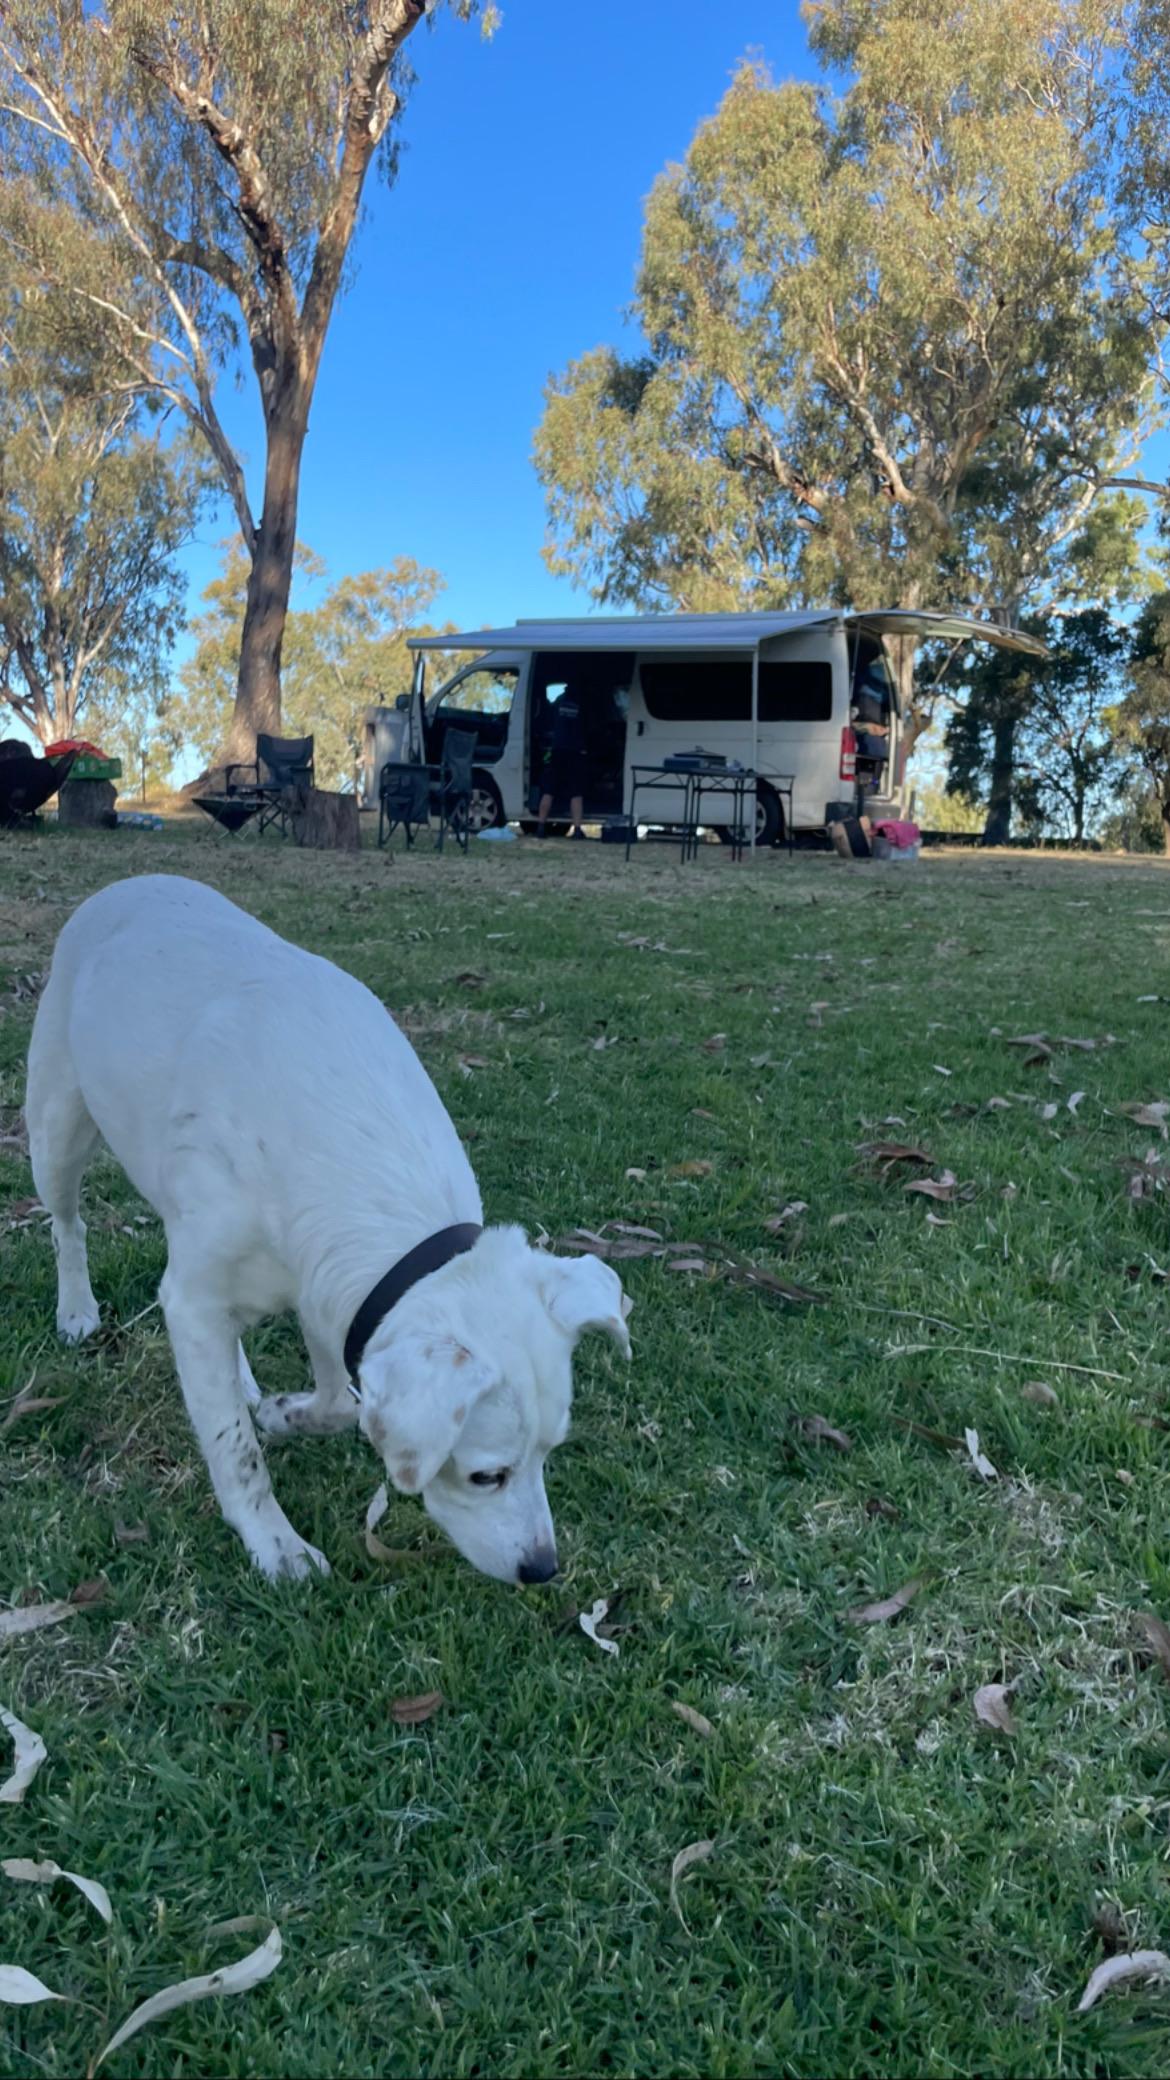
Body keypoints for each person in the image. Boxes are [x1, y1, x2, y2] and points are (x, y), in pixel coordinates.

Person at [537, 682, 587, 838]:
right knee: (576, 792)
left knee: (549, 790)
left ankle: (540, 827)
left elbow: (548, 723)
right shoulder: (581, 704)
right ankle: (577, 830)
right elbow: (585, 727)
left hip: (557, 750)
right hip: (575, 752)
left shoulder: (558, 701)